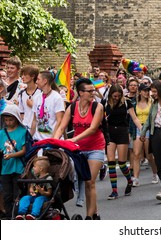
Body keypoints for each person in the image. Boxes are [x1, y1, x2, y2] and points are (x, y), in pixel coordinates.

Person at [53, 78, 105, 220]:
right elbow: (62, 126)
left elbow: (93, 128)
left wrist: (74, 139)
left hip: (96, 147)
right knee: (78, 179)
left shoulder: (97, 106)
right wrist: (55, 141)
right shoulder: (72, 107)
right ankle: (95, 211)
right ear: (81, 93)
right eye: (90, 91)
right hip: (79, 149)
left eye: (93, 90)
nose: (93, 93)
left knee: (89, 181)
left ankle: (88, 217)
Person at [102, 84, 142, 200]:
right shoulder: (105, 102)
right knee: (111, 162)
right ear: (111, 95)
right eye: (114, 96)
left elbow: (134, 118)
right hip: (110, 132)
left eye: (118, 96)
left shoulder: (126, 102)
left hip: (122, 131)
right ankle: (114, 190)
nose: (116, 98)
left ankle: (129, 180)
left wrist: (141, 130)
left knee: (122, 162)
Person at [0, 104, 26, 219]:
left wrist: (11, 155)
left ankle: (16, 216)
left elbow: (24, 150)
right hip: (5, 168)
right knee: (6, 195)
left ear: (16, 118)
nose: (8, 122)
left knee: (17, 195)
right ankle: (7, 216)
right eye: (6, 120)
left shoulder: (23, 131)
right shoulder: (1, 133)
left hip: (18, 168)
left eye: (11, 120)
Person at [132, 84, 158, 187]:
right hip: (138, 128)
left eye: (148, 91)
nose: (147, 93)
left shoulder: (152, 103)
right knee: (136, 154)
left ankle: (155, 173)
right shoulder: (135, 103)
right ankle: (136, 178)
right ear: (140, 92)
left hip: (149, 129)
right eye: (144, 91)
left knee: (149, 155)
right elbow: (133, 117)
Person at [31, 71, 65, 141]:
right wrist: (30, 138)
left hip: (51, 140)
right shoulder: (37, 98)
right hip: (38, 140)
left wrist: (53, 139)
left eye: (38, 79)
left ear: (45, 81)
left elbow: (60, 121)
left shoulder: (57, 98)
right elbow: (34, 120)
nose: (36, 82)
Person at [18, 65, 41, 130]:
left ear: (33, 76)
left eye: (25, 75)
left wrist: (33, 106)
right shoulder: (21, 93)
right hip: (25, 127)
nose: (22, 77)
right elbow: (21, 112)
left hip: (38, 129)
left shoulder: (41, 92)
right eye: (22, 75)